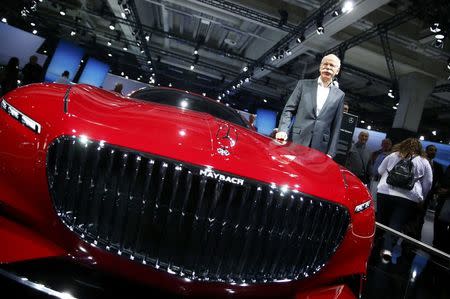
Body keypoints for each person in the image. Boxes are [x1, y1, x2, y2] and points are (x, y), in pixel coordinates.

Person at [276, 54, 345, 157]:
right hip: (296, 140)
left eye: (332, 65)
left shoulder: (339, 95)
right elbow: (289, 110)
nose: (328, 67)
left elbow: (336, 125)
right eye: (325, 64)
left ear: (337, 71)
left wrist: (331, 152)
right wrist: (283, 129)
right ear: (320, 67)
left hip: (320, 147)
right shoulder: (303, 85)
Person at [376, 138, 433, 263]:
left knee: (380, 220)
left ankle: (372, 244)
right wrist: (421, 197)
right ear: (419, 148)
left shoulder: (392, 155)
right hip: (408, 198)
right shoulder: (424, 161)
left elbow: (380, 170)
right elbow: (428, 183)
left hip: (385, 192)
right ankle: (387, 249)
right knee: (396, 223)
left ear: (402, 144)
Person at [368, 138, 392, 209]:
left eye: (388, 144)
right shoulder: (375, 153)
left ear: (390, 145)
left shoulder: (391, 156)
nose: (386, 145)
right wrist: (370, 173)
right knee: (370, 197)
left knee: (378, 199)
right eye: (384, 143)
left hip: (383, 181)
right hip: (373, 179)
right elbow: (370, 164)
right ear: (381, 144)